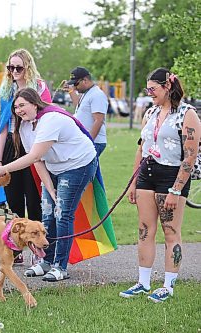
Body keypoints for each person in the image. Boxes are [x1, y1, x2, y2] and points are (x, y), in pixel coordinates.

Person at [0, 87, 98, 281]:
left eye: (22, 105)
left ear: (35, 103)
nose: (18, 110)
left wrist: (4, 168)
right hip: (55, 167)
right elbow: (37, 161)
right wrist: (49, 188)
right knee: (47, 212)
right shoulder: (24, 127)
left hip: (78, 165)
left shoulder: (51, 120)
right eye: (15, 107)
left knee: (63, 214)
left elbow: (34, 155)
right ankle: (45, 261)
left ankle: (60, 266)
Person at [121, 68, 200, 302]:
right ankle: (143, 282)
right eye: (147, 89)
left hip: (171, 176)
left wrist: (176, 190)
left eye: (153, 89)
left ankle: (168, 285)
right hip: (147, 172)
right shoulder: (151, 112)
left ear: (167, 86)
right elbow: (141, 147)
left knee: (170, 232)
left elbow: (190, 156)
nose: (149, 93)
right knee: (145, 230)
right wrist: (134, 182)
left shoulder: (188, 114)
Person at [0, 48, 52, 267]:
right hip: (12, 142)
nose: (14, 71)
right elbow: (1, 128)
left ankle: (38, 247)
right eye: (10, 67)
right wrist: (0, 161)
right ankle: (16, 246)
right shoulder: (6, 91)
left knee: (35, 195)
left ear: (28, 66)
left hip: (33, 144)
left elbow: (47, 116)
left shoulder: (39, 88)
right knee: (13, 197)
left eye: (18, 67)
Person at [64, 67, 108, 157]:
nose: (75, 87)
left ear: (85, 80)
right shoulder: (87, 93)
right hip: (87, 141)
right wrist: (71, 91)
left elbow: (99, 120)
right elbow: (78, 107)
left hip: (95, 141)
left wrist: (89, 142)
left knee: (84, 170)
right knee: (91, 170)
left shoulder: (97, 95)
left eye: (75, 84)